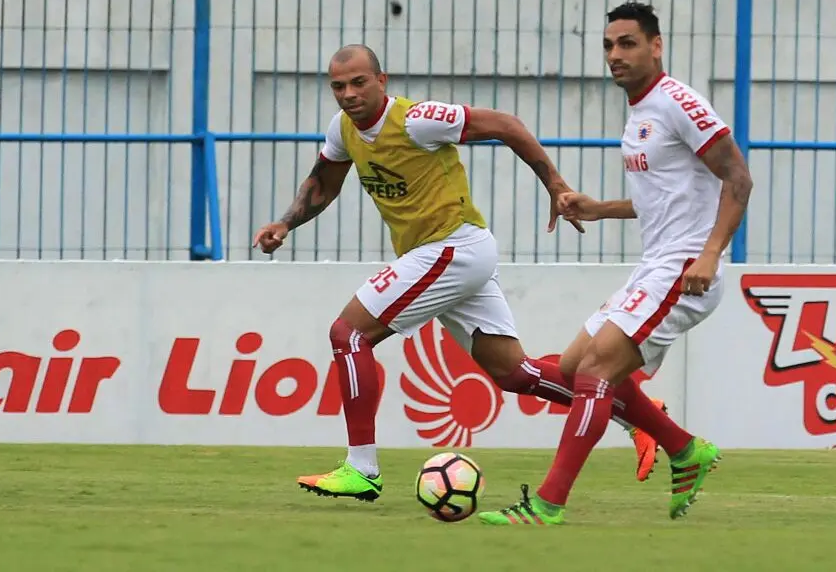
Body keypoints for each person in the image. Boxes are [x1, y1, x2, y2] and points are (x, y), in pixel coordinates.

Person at [253, 44, 672, 502]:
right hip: (446, 256)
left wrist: (555, 185)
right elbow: (324, 183)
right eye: (338, 86)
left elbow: (508, 126)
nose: (349, 94)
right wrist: (285, 223)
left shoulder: (417, 120)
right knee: (514, 373)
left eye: (358, 82)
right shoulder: (343, 131)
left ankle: (362, 468)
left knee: (348, 334)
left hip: (453, 247)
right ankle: (640, 414)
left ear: (382, 80)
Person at [478, 2, 753, 526]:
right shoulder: (640, 113)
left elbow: (738, 178)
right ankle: (683, 449)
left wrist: (711, 254)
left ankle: (547, 505)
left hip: (685, 270)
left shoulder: (678, 104)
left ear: (656, 46)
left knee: (597, 371)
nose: (614, 55)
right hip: (657, 265)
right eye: (608, 45)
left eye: (627, 43)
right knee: (573, 367)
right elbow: (667, 199)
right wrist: (599, 208)